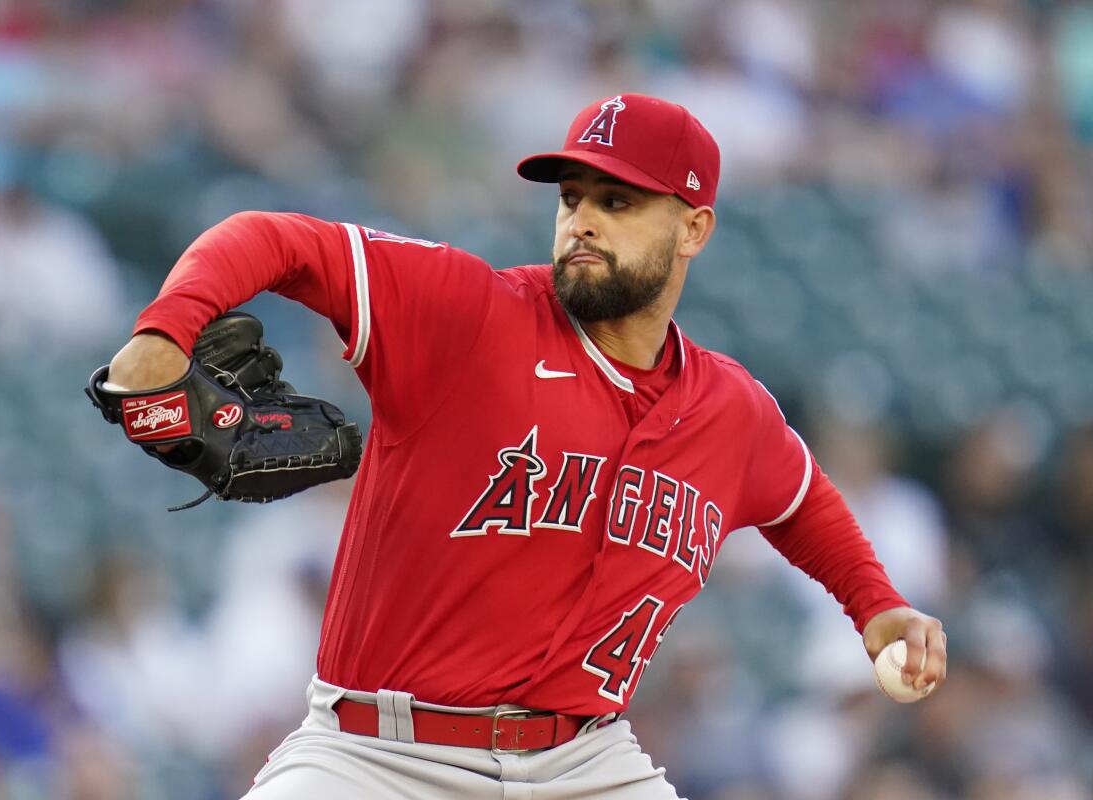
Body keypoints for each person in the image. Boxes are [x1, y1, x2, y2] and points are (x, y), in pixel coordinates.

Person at [106, 93, 947, 799]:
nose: (582, 221)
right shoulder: (470, 315)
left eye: (617, 203)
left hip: (585, 764)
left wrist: (875, 606)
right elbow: (276, 238)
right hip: (377, 755)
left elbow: (802, 505)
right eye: (571, 197)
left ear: (693, 230)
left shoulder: (732, 410)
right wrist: (166, 329)